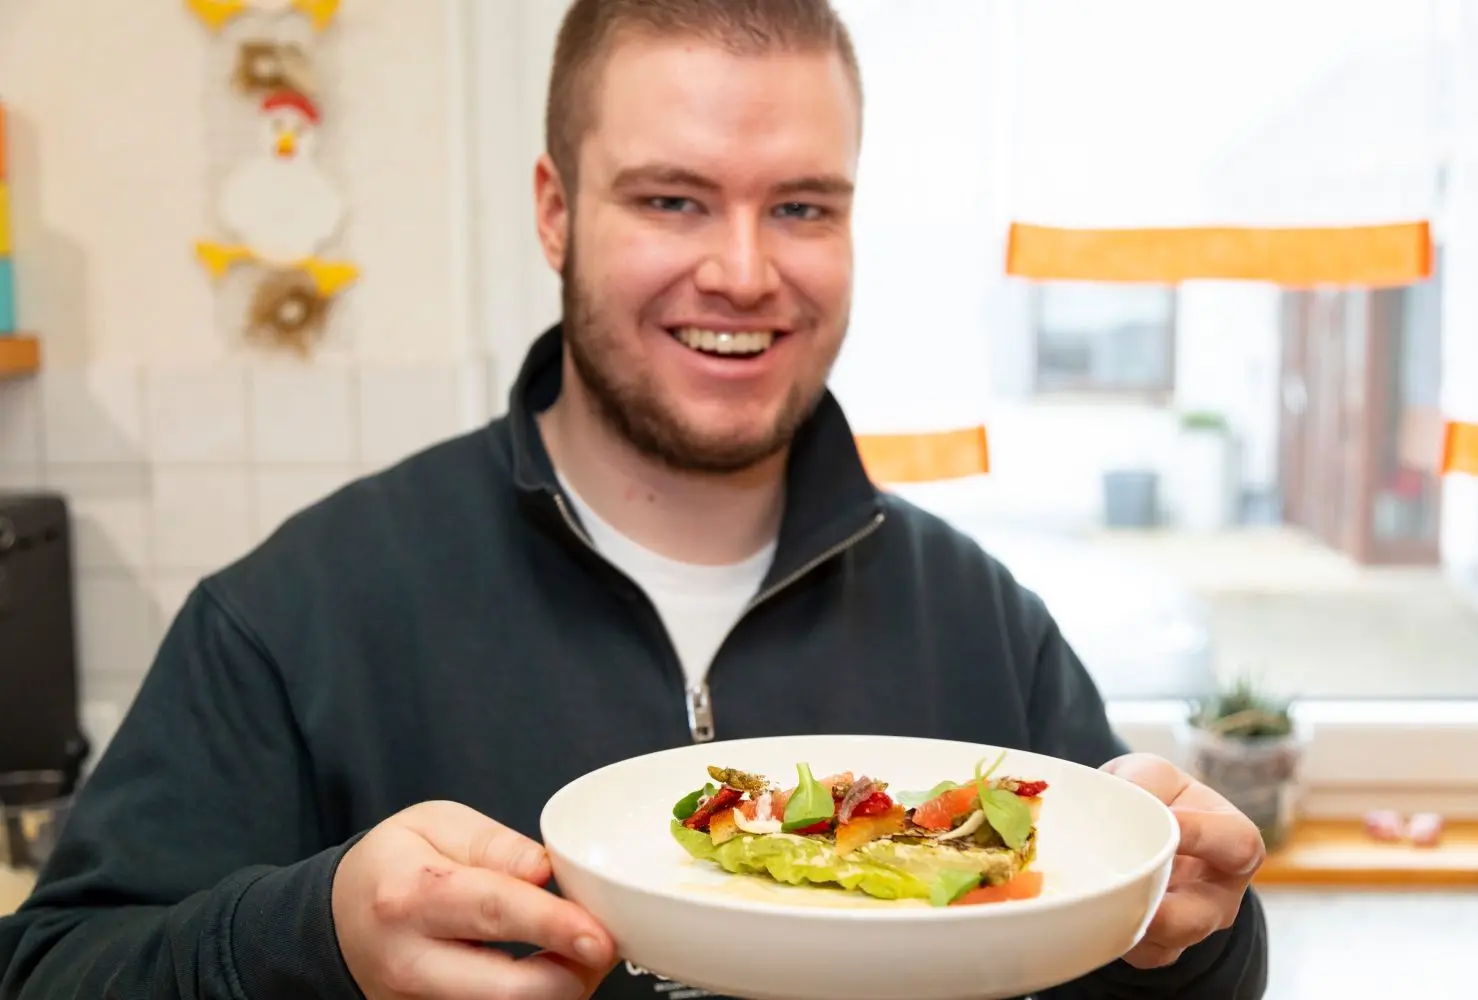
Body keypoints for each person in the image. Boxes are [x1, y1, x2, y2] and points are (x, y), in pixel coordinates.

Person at [0, 1, 1268, 997]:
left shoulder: (984, 621)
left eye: (802, 207)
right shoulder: (296, 612)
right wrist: (309, 938)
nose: (743, 269)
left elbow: (1132, 974)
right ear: (556, 212)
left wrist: (1192, 938)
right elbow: (52, 968)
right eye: (672, 198)